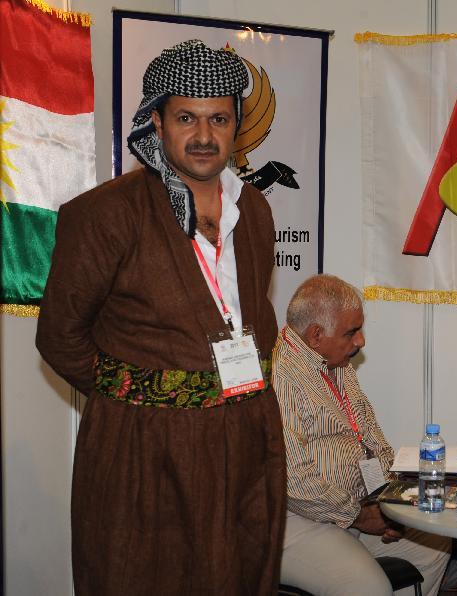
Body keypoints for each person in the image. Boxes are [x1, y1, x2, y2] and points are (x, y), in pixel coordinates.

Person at [35, 40, 286, 594]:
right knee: (139, 573)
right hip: (144, 448)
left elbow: (250, 314)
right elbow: (59, 337)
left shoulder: (256, 209)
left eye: (219, 118)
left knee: (239, 573)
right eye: (186, 118)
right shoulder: (105, 214)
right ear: (157, 120)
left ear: (237, 125)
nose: (203, 135)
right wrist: (143, 394)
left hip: (245, 436)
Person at [274, 274, 450, 596]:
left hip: (356, 510)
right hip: (297, 520)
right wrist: (358, 516)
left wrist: (390, 501)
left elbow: (369, 433)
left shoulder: (336, 362)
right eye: (352, 332)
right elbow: (293, 480)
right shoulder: (280, 376)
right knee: (367, 587)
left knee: (436, 543)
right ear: (315, 335)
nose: (361, 341)